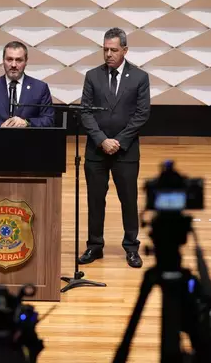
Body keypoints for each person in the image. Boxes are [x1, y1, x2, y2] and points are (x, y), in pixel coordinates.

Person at [77, 27, 150, 269]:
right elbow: (85, 112)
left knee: (128, 200)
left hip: (126, 151)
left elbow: (142, 114)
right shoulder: (92, 76)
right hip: (96, 151)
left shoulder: (140, 77)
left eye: (113, 50)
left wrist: (118, 141)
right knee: (95, 200)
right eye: (105, 49)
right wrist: (101, 140)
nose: (108, 54)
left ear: (125, 50)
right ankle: (94, 246)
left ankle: (131, 247)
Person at [0, 41, 54, 128]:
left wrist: (27, 123)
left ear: (26, 62)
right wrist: (0, 126)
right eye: (9, 59)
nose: (13, 65)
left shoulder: (40, 88)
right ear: (3, 60)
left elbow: (48, 119)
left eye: (19, 60)